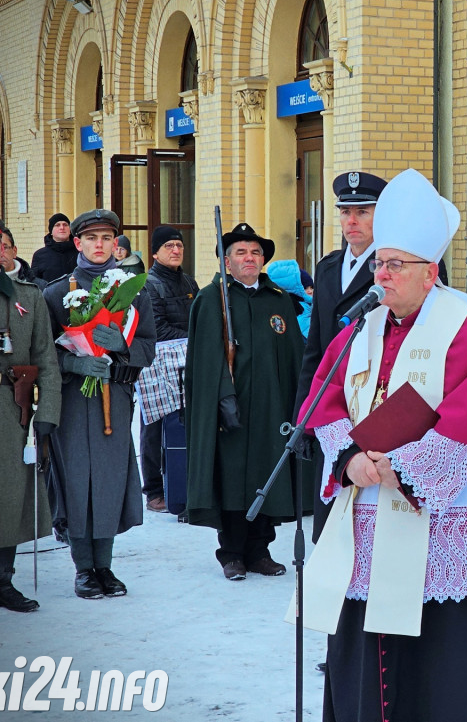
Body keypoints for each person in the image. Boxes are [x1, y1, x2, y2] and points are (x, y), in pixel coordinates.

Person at [303, 168, 467, 722]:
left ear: (429, 271)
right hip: (364, 518)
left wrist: (404, 467)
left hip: (441, 527)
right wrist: (349, 459)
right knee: (365, 659)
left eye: (395, 265)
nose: (382, 276)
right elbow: (325, 402)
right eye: (379, 264)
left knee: (442, 671)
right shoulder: (360, 329)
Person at [44, 209, 156, 600]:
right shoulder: (57, 292)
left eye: (106, 238)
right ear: (77, 243)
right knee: (77, 479)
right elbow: (42, 354)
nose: (99, 245)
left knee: (108, 480)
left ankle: (105, 566)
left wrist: (122, 344)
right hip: (73, 400)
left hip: (116, 395)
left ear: (115, 244)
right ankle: (82, 569)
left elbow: (149, 345)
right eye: (91, 238)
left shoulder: (133, 289)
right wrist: (74, 361)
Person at [185, 222, 304, 580]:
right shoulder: (212, 299)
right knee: (233, 477)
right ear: (226, 260)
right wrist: (222, 396)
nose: (249, 258)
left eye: (255, 252)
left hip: (272, 409)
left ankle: (259, 550)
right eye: (240, 252)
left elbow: (295, 355)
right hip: (231, 409)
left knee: (268, 473)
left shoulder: (278, 299)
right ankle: (232, 552)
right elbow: (205, 360)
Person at [0, 216, 61, 618]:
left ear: (5, 250)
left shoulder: (30, 296)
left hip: (13, 409)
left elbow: (46, 358)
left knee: (10, 495)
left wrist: (47, 415)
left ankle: (2, 584)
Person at [292, 171, 387, 543]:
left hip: (373, 396)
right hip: (332, 401)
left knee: (367, 507)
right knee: (331, 514)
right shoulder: (328, 267)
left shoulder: (394, 266)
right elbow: (314, 349)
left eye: (362, 211)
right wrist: (303, 416)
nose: (351, 221)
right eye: (345, 212)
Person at [137, 226, 198, 513]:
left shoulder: (189, 283)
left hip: (189, 363)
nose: (176, 250)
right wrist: (194, 338)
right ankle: (153, 489)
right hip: (157, 368)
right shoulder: (147, 285)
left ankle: (185, 483)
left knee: (185, 424)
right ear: (155, 252)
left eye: (179, 245)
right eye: (169, 246)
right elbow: (157, 328)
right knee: (155, 426)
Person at [266, 259, 314, 338]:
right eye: (305, 288)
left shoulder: (282, 303)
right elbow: (310, 334)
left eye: (311, 287)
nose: (310, 291)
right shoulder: (301, 307)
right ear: (296, 289)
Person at [30, 212, 78, 283]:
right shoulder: (40, 255)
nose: (62, 228)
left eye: (65, 225)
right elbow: (35, 282)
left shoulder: (80, 252)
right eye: (57, 225)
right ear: (51, 231)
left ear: (70, 230)